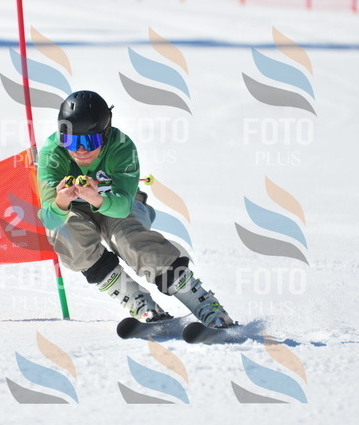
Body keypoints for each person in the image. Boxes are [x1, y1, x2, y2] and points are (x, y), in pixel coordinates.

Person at [37, 90, 234, 328]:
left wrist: (97, 199)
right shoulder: (52, 153)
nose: (80, 150)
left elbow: (123, 207)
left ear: (105, 134)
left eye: (89, 142)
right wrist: (60, 203)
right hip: (76, 211)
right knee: (65, 232)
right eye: (71, 141)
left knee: (127, 238)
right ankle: (140, 302)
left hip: (119, 203)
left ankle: (206, 305)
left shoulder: (121, 146)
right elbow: (49, 220)